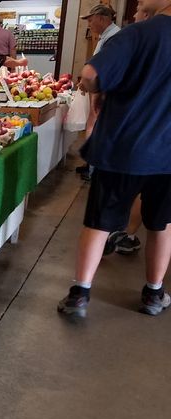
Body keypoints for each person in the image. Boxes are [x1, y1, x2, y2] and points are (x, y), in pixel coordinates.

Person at [57, 0, 171, 319]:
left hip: (123, 145)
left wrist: (97, 90)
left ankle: (79, 294)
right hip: (168, 153)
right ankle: (153, 293)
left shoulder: (137, 35)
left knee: (100, 222)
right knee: (162, 225)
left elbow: (90, 74)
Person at [101, 0, 154, 256]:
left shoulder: (133, 40)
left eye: (139, 9)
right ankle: (126, 233)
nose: (133, 14)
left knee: (133, 187)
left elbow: (94, 76)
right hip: (153, 135)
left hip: (134, 132)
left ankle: (120, 232)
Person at [77, 6, 121, 180]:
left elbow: (102, 69)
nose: (89, 24)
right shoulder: (107, 36)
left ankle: (93, 167)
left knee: (94, 126)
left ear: (102, 18)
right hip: (100, 89)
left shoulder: (114, 37)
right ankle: (90, 164)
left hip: (103, 90)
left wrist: (88, 83)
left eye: (90, 19)